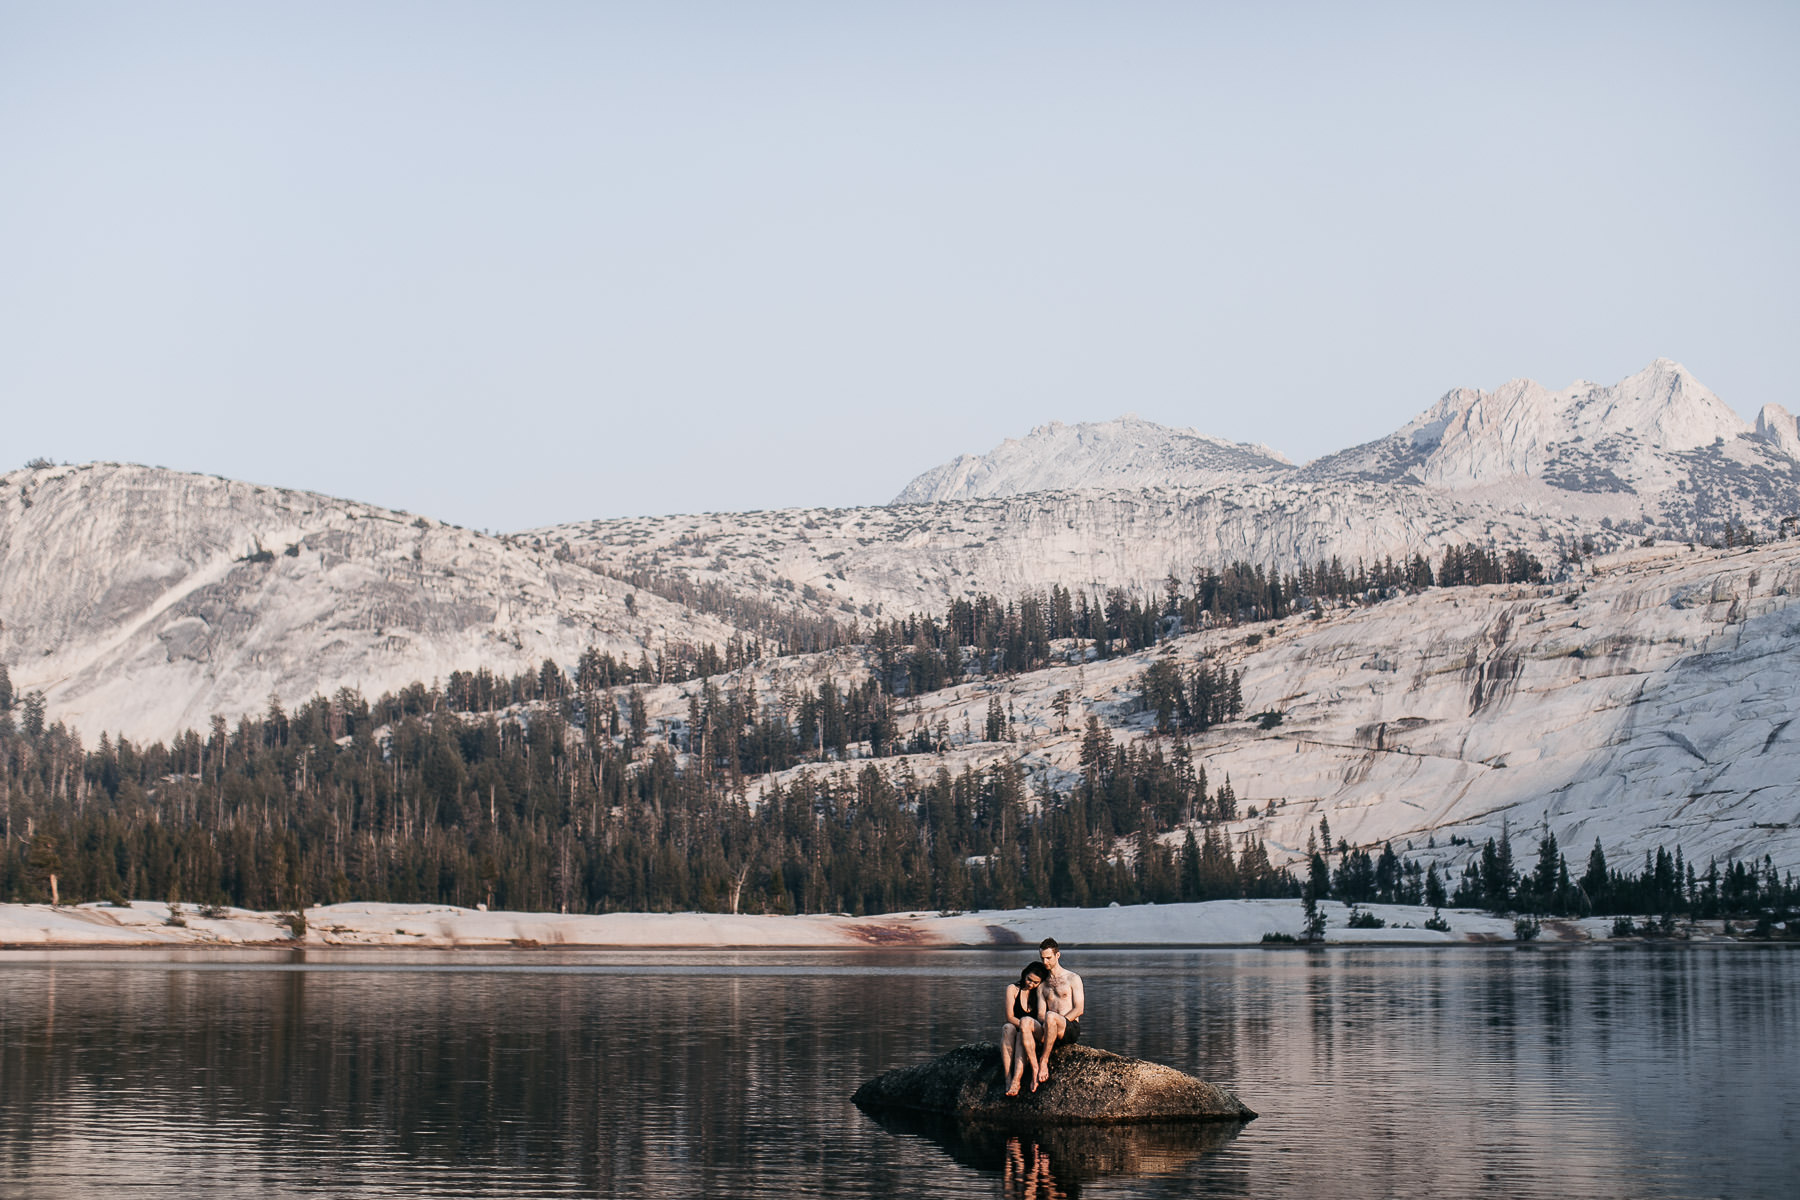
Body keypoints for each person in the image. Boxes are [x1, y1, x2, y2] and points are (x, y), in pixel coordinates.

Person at [1032, 937, 1084, 1084]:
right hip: (1049, 1026)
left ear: (1057, 955)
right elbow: (1041, 1014)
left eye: (1048, 958)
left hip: (1069, 1027)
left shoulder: (1073, 978)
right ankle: (1030, 1069)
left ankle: (1044, 1061)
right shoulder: (1042, 985)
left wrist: (1056, 1021)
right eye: (1042, 959)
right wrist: (1048, 1026)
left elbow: (1079, 1009)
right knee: (1027, 1022)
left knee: (1050, 1017)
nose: (1045, 962)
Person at [1001, 961, 1050, 1095]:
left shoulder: (1040, 992)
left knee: (1023, 1032)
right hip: (1018, 1028)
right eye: (1029, 979)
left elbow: (1041, 1018)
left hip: (1033, 1033)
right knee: (1007, 1027)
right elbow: (1009, 1016)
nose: (1031, 984)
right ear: (1024, 974)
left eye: (1035, 982)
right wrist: (1023, 1026)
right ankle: (1008, 1078)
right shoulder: (1013, 989)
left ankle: (1016, 1081)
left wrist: (1026, 1028)